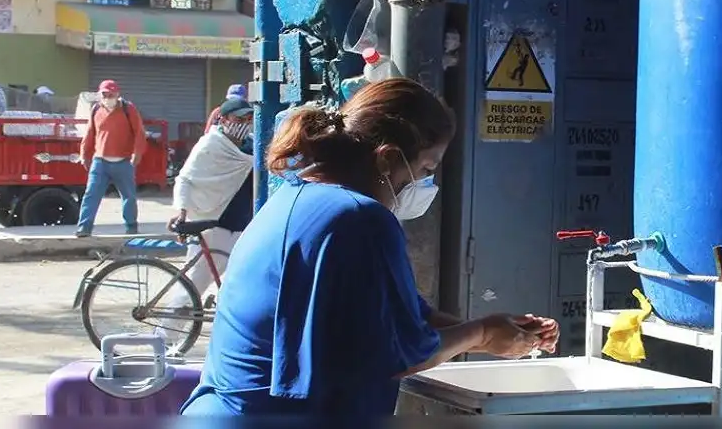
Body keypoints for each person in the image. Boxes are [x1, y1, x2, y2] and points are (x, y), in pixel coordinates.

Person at [180, 78, 560, 417]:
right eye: (427, 168)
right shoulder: (360, 217)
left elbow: (406, 316)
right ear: (390, 158)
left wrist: (500, 331)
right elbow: (403, 350)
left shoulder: (294, 197)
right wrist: (482, 333)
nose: (427, 183)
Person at [164, 98, 255, 314]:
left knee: (244, 275)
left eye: (249, 118)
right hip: (214, 223)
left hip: (242, 222)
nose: (244, 123)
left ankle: (221, 307)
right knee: (193, 285)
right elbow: (186, 179)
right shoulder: (210, 145)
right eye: (238, 118)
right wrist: (182, 210)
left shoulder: (252, 145)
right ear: (223, 120)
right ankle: (164, 335)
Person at [76, 80, 147, 238]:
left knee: (128, 196)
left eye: (111, 94)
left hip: (123, 162)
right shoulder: (96, 109)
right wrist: (84, 154)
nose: (108, 97)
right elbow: (89, 134)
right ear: (99, 95)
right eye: (105, 94)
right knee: (91, 195)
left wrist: (137, 153)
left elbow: (139, 133)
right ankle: (84, 228)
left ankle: (131, 227)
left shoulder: (129, 109)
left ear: (118, 94)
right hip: (100, 162)